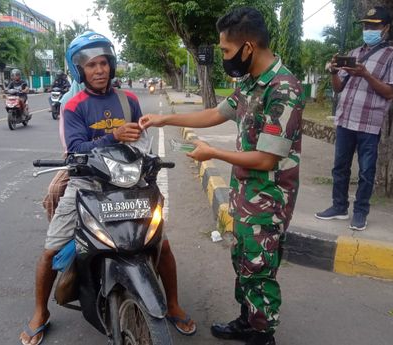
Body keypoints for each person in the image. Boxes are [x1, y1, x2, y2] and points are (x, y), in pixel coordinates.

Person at [19, 31, 196, 345]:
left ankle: (172, 303)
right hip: (87, 183)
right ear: (80, 71)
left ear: (111, 66)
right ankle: (39, 312)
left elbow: (141, 140)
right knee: (50, 251)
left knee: (161, 245)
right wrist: (113, 136)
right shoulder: (74, 106)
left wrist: (149, 156)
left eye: (104, 63)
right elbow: (75, 149)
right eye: (91, 65)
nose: (99, 70)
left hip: (129, 183)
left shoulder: (128, 100)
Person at [140, 7, 303, 345]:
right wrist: (164, 120)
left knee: (259, 270)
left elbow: (267, 157)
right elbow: (217, 112)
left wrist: (212, 153)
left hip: (269, 199)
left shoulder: (282, 88)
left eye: (227, 51)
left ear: (248, 47)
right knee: (243, 261)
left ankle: (262, 335)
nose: (225, 57)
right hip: (246, 195)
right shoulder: (252, 82)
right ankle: (248, 321)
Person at [315, 6, 393, 231]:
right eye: (366, 25)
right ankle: (339, 207)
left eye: (373, 26)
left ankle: (360, 212)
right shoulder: (354, 53)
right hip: (346, 119)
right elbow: (339, 88)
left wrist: (366, 74)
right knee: (340, 167)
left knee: (366, 171)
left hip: (369, 124)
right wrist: (334, 71)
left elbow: (390, 92)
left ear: (386, 28)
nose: (368, 29)